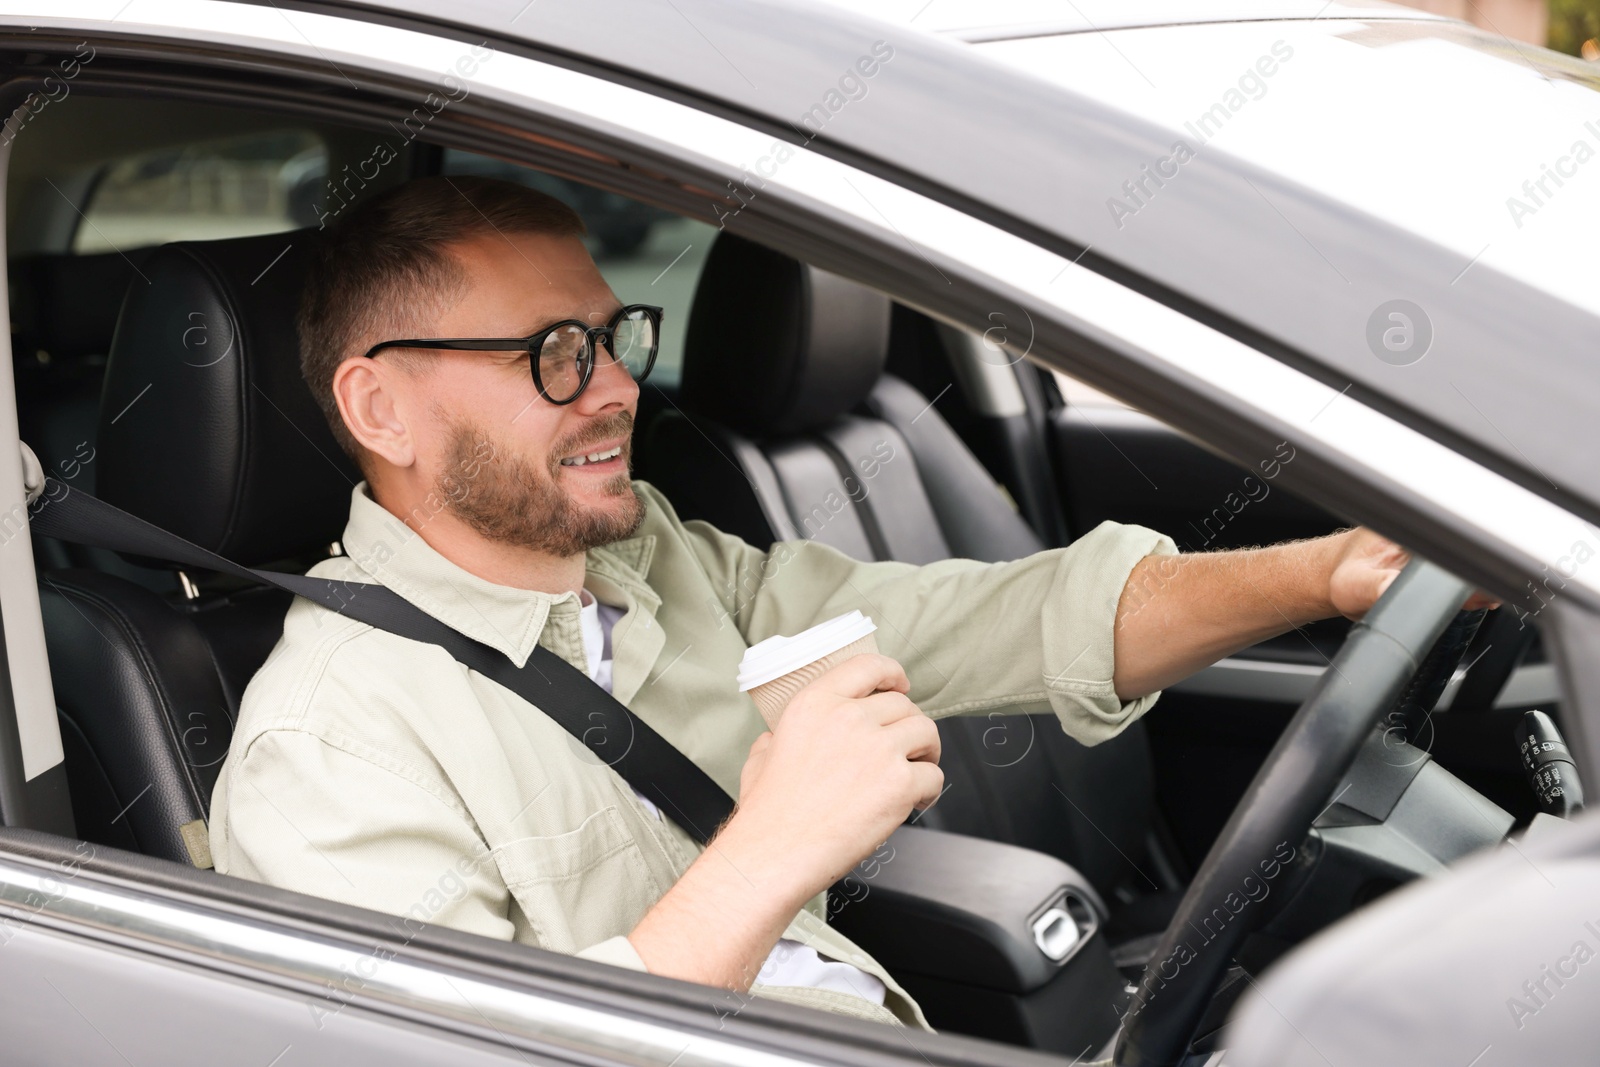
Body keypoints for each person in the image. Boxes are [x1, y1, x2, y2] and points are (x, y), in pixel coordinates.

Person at [208, 175, 1464, 1029]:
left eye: (614, 336)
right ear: (382, 408)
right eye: (554, 354)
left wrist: (1324, 571)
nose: (616, 390)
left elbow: (1019, 618)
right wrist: (774, 844)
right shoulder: (326, 744)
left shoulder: (670, 568)